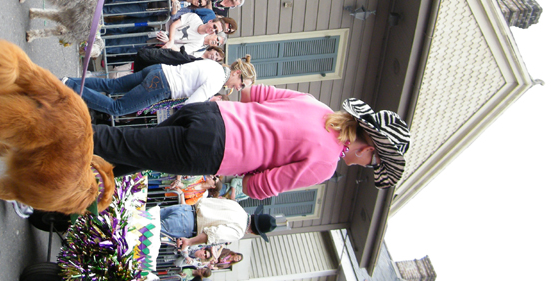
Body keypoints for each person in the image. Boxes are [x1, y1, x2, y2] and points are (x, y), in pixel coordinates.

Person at [93, 93, 412, 199]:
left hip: (211, 113)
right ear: (369, 150)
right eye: (372, 165)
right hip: (212, 151)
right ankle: (48, 126)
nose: (364, 167)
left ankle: (66, 194)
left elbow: (254, 92)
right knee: (121, 144)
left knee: (131, 154)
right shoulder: (326, 164)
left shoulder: (318, 106)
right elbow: (257, 186)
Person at [62, 56, 255, 116]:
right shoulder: (216, 81)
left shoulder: (216, 67)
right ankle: (70, 85)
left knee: (111, 85)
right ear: (237, 73)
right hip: (162, 85)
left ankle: (67, 82)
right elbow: (190, 106)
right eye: (241, 84)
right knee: (117, 108)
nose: (238, 88)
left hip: (159, 71)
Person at [160, 199, 276, 246]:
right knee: (144, 230)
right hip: (187, 225)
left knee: (145, 216)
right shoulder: (239, 232)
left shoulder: (237, 206)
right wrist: (189, 242)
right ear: (254, 232)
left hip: (186, 209)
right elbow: (213, 234)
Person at [133, 44, 225, 71]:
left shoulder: (202, 64)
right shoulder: (200, 46)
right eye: (216, 54)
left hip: (162, 66)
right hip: (162, 53)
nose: (214, 57)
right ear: (213, 49)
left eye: (217, 59)